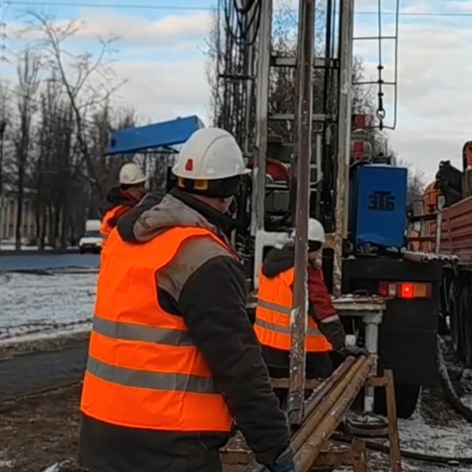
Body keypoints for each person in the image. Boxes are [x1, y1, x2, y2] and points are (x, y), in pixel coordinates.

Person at [78, 128, 296, 472]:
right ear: (232, 191)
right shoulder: (202, 257)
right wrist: (275, 449)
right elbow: (238, 366)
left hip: (100, 439)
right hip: (169, 447)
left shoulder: (124, 240)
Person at [255, 218, 367, 403]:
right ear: (311, 246)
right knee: (315, 402)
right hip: (303, 352)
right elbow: (323, 311)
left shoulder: (270, 265)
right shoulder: (303, 271)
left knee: (274, 400)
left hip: (268, 350)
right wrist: (342, 345)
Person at [100, 162, 148, 237]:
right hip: (116, 247)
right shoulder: (119, 211)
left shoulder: (133, 205)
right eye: (137, 186)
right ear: (126, 188)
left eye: (142, 185)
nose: (141, 190)